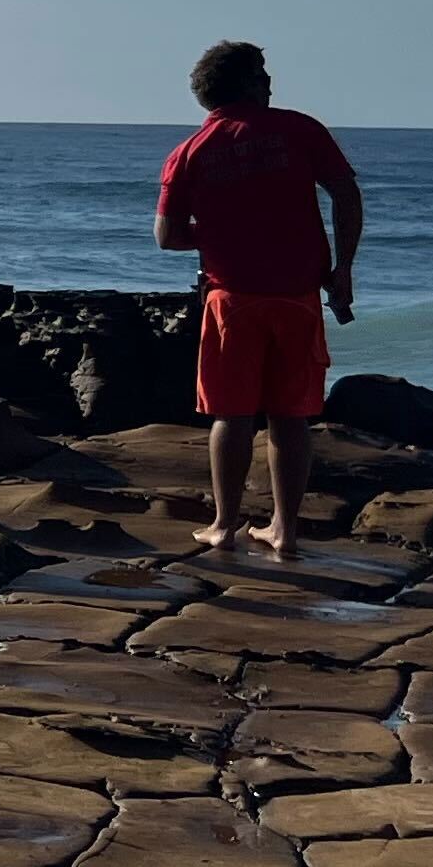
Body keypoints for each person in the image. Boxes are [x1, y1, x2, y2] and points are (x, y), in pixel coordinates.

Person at [155, 39, 363, 560]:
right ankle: (284, 530)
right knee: (290, 416)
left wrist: (225, 233)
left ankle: (225, 525)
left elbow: (168, 236)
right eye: (262, 74)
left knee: (231, 413)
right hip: (296, 295)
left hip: (231, 299)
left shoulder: (190, 152)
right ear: (247, 83)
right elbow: (345, 193)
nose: (269, 82)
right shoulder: (300, 129)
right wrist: (343, 267)